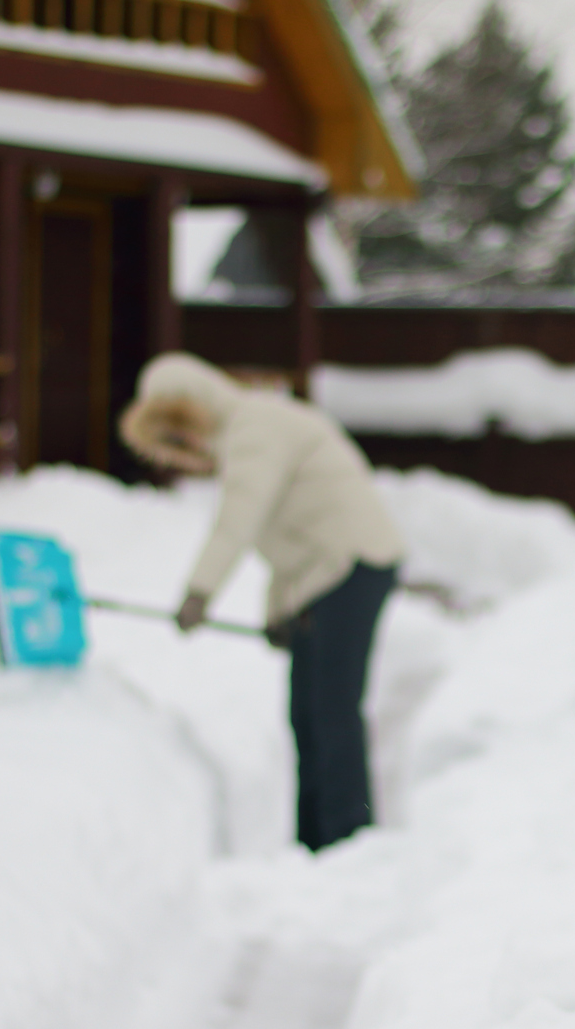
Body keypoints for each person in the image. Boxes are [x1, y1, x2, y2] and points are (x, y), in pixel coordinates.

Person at [119, 352, 405, 851]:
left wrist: (200, 591)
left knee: (333, 709)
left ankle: (351, 841)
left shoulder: (254, 430)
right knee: (306, 713)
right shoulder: (250, 430)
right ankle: (315, 842)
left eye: (181, 432)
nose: (186, 447)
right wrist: (280, 614)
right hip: (330, 571)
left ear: (196, 408)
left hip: (352, 566)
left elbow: (239, 520)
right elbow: (287, 546)